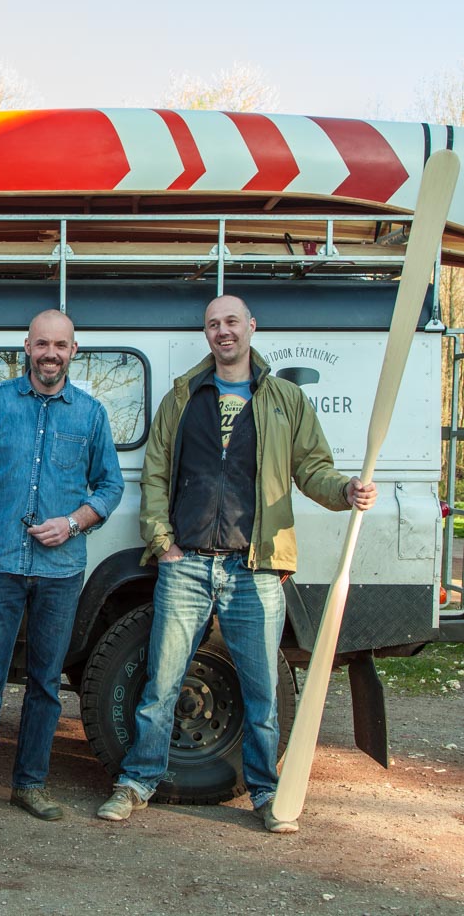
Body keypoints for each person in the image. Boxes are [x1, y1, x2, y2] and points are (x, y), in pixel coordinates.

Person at [96, 294, 377, 834]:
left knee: (262, 693)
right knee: (161, 685)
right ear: (206, 335)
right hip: (187, 564)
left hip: (256, 568)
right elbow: (155, 473)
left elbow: (313, 469)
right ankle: (136, 783)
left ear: (251, 326)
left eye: (231, 322)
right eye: (212, 324)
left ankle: (268, 795)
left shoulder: (284, 399)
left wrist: (344, 490)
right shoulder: (183, 396)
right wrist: (164, 542)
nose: (222, 332)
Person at [0, 309, 124, 829]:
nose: (50, 354)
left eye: (60, 345)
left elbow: (111, 486)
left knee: (44, 683)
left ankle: (29, 785)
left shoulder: (90, 413)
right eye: (42, 344)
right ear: (27, 347)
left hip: (61, 570)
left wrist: (73, 522)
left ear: (73, 351)